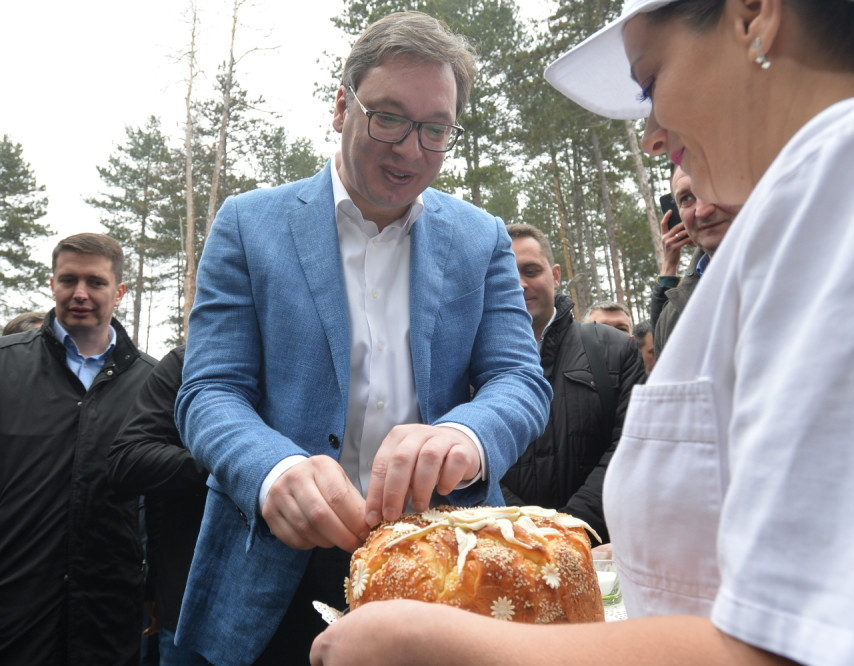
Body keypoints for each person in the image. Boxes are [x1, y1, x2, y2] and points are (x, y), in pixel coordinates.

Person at [310, 1, 854, 665]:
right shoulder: (811, 211)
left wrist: (432, 644)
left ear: (755, 12)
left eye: (651, 81)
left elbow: (829, 640)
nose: (651, 136)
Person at [173, 11, 550, 665]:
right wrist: (273, 470)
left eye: (435, 130)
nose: (410, 149)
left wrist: (464, 436)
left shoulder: (482, 237)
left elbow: (519, 380)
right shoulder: (247, 224)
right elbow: (209, 391)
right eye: (389, 118)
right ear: (342, 104)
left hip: (446, 565)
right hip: (274, 564)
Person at [0, 233, 157, 664]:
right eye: (68, 280)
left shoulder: (154, 384)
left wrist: (158, 588)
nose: (80, 294)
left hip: (108, 612)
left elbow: (164, 504)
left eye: (96, 282)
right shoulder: (6, 365)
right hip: (15, 602)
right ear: (52, 284)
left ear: (120, 292)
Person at [500, 224, 645, 543]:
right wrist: (522, 531)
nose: (520, 283)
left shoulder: (616, 349)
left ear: (554, 275)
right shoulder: (469, 362)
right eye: (506, 273)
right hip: (506, 548)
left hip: (599, 551)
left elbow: (631, 444)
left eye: (531, 270)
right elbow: (469, 459)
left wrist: (572, 531)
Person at [107, 345, 211, 666]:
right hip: (188, 606)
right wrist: (232, 463)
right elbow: (130, 462)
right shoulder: (185, 364)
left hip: (294, 604)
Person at [648, 163, 738, 356]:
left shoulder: (809, 271)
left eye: (713, 187)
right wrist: (669, 265)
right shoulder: (671, 317)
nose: (702, 210)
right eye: (686, 198)